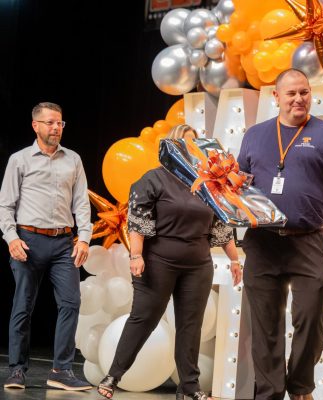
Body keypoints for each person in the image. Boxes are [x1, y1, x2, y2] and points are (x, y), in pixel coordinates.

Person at [237, 68, 323, 400]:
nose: (298, 99)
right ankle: (270, 394)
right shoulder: (255, 134)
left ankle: (301, 386)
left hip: (310, 239)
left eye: (304, 92)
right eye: (290, 93)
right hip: (262, 242)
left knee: (310, 316)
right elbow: (239, 185)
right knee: (265, 326)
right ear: (275, 97)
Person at [97, 124, 242, 400]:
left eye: (195, 145)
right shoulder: (153, 179)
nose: (191, 150)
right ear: (171, 148)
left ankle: (189, 388)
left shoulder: (208, 185)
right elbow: (137, 222)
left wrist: (235, 261)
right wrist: (136, 255)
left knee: (190, 325)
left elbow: (221, 228)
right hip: (158, 261)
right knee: (144, 318)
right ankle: (113, 375)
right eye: (185, 144)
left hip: (198, 265)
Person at [0, 102, 93, 391]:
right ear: (36, 125)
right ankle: (17, 370)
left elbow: (81, 202)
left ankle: (61, 370)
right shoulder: (20, 159)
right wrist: (11, 237)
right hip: (29, 240)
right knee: (23, 306)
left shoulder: (73, 159)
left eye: (60, 123)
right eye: (51, 122)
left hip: (64, 242)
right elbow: (6, 204)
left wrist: (86, 237)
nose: (56, 128)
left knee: (71, 302)